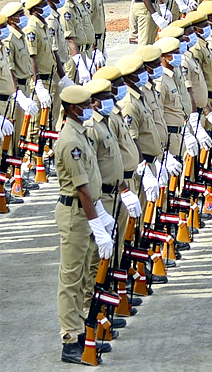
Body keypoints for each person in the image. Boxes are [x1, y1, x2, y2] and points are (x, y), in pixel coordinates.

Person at [54, 84, 114, 364]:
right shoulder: (71, 141)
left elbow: (92, 181)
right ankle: (70, 340)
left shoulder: (81, 134)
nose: (91, 107)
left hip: (86, 211)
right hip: (76, 215)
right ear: (73, 108)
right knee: (71, 279)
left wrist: (100, 212)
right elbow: (81, 189)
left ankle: (81, 332)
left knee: (82, 276)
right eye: (87, 104)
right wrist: (97, 223)